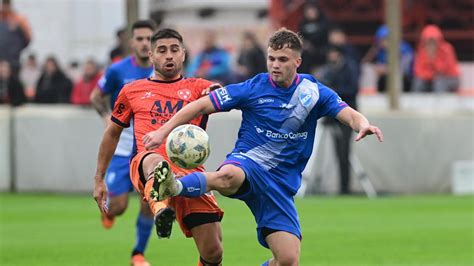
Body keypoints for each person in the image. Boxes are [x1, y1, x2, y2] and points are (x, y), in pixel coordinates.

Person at [142, 28, 384, 266]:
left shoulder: (312, 92)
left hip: (280, 184)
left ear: (297, 61)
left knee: (288, 260)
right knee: (227, 177)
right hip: (248, 163)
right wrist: (163, 131)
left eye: (282, 59)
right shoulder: (253, 87)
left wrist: (363, 124)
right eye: (271, 58)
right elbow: (201, 105)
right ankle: (173, 185)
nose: (275, 65)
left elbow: (348, 114)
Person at [93, 28, 224, 266]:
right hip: (146, 163)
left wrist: (219, 93)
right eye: (162, 51)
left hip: (191, 174)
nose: (169, 56)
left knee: (213, 251)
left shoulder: (198, 87)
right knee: (156, 161)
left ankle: (163, 209)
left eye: (174, 50)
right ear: (151, 56)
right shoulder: (132, 91)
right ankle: (161, 209)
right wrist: (99, 178)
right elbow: (112, 133)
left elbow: (220, 94)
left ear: (183, 54)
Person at [89, 20, 157, 266]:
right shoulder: (118, 70)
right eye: (139, 39)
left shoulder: (163, 70)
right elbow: (96, 96)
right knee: (117, 206)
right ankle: (112, 211)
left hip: (150, 146)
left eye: (149, 38)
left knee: (149, 202)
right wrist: (108, 118)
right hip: (123, 146)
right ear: (132, 42)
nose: (144, 43)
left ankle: (138, 253)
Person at [317, 45, 359, 195]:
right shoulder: (329, 69)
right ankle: (342, 186)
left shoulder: (349, 68)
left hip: (347, 113)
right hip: (333, 116)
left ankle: (345, 187)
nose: (331, 56)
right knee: (338, 151)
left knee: (344, 151)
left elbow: (352, 89)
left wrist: (333, 92)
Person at [363, 25, 413, 93]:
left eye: (385, 39)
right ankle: (369, 93)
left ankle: (396, 96)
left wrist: (387, 69)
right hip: (384, 75)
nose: (383, 42)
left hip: (404, 77)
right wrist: (374, 50)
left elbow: (404, 68)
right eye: (380, 40)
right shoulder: (379, 49)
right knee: (367, 68)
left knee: (397, 73)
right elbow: (364, 62)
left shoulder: (403, 48)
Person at [411, 25, 460, 93]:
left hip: (450, 78)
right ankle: (416, 103)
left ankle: (440, 103)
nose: (431, 45)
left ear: (438, 40)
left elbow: (443, 70)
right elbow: (418, 72)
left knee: (439, 82)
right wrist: (430, 75)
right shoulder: (421, 51)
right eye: (428, 42)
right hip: (430, 79)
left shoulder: (447, 49)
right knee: (418, 83)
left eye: (433, 41)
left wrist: (432, 59)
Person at [0, 0, 32, 78]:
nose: (5, 6)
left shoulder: (18, 19)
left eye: (7, 4)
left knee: (13, 82)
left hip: (13, 60)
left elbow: (28, 38)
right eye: (4, 4)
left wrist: (16, 49)